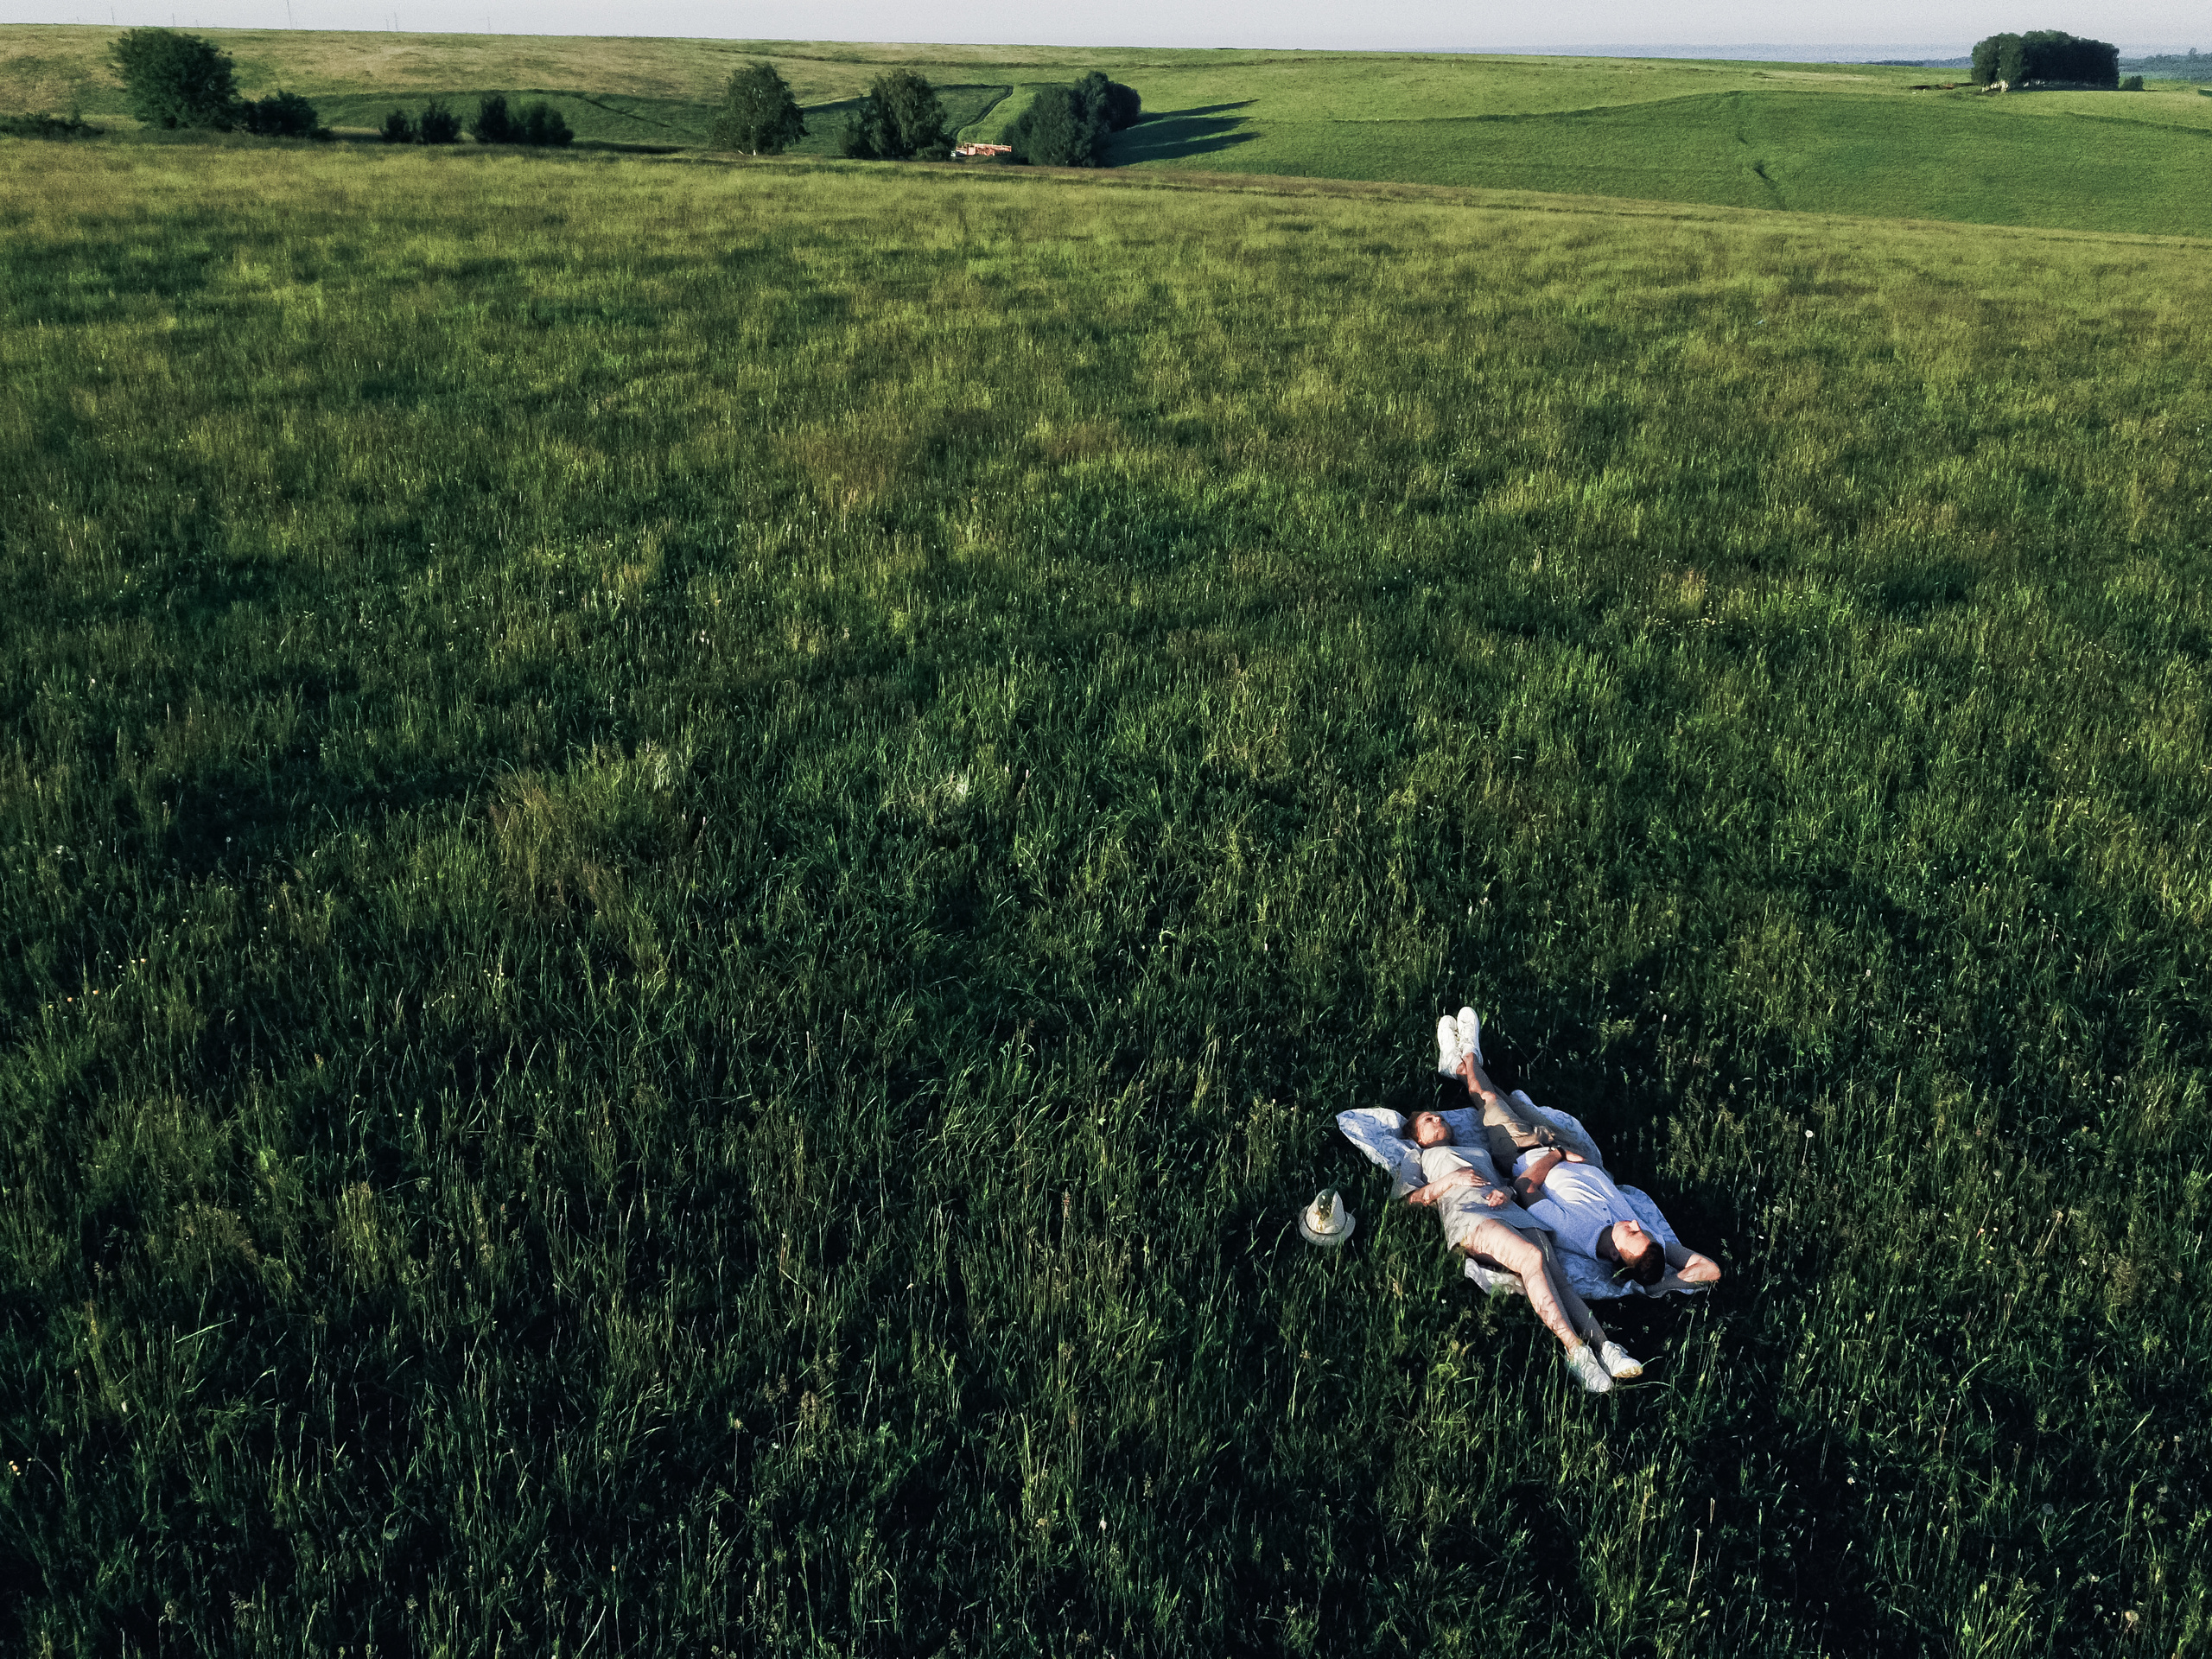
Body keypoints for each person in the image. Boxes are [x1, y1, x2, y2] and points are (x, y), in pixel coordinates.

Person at [1399, 1106, 1644, 1392]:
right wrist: (1449, 1181)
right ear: (1418, 1136)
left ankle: (1605, 1346)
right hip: (1471, 1215)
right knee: (1531, 1257)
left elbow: (1510, 1184)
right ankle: (1575, 1350)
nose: (1438, 1119)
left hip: (1509, 1207)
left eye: (1439, 1116)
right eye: (1428, 1120)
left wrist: (1508, 1191)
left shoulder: (1476, 1151)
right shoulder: (1417, 1156)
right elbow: (1407, 1200)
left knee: (1558, 1279)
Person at [1434, 1007, 1603, 1175]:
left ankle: (1468, 1059)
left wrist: (1559, 1154)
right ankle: (1462, 1066)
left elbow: (1527, 1188)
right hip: (1574, 1152)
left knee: (1489, 1098)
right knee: (1509, 1102)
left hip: (1524, 1154)